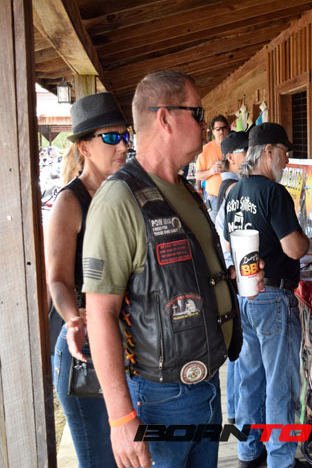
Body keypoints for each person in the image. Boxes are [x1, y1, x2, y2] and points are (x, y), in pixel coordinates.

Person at [82, 70, 260, 468]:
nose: (205, 124)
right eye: (197, 113)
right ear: (164, 118)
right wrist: (121, 418)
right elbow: (99, 313)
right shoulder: (119, 200)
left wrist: (232, 282)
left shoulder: (184, 189)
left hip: (207, 384)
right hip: (159, 398)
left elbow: (184, 277)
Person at [45, 92, 130, 468]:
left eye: (125, 135)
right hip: (85, 350)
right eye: (111, 137)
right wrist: (74, 319)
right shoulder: (71, 202)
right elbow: (58, 280)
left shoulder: (125, 192)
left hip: (124, 341)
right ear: (84, 147)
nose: (123, 145)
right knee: (100, 460)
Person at [224, 122, 309, 468]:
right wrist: (306, 241)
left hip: (245, 296)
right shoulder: (275, 193)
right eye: (285, 153)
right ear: (269, 151)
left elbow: (231, 241)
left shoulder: (234, 193)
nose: (287, 161)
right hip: (273, 296)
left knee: (250, 377)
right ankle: (281, 459)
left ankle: (248, 451)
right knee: (280, 383)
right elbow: (294, 248)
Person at [214, 130, 249, 425]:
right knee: (242, 349)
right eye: (244, 151)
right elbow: (231, 239)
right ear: (231, 157)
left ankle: (236, 409)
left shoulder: (228, 186)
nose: (250, 155)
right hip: (237, 273)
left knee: (238, 348)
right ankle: (239, 410)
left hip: (232, 272)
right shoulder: (233, 188)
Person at [195, 115, 230, 214]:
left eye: (223, 128)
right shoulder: (206, 149)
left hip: (232, 197)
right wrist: (211, 171)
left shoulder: (234, 147)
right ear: (213, 131)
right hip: (214, 199)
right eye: (218, 129)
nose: (221, 131)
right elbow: (198, 175)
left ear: (227, 129)